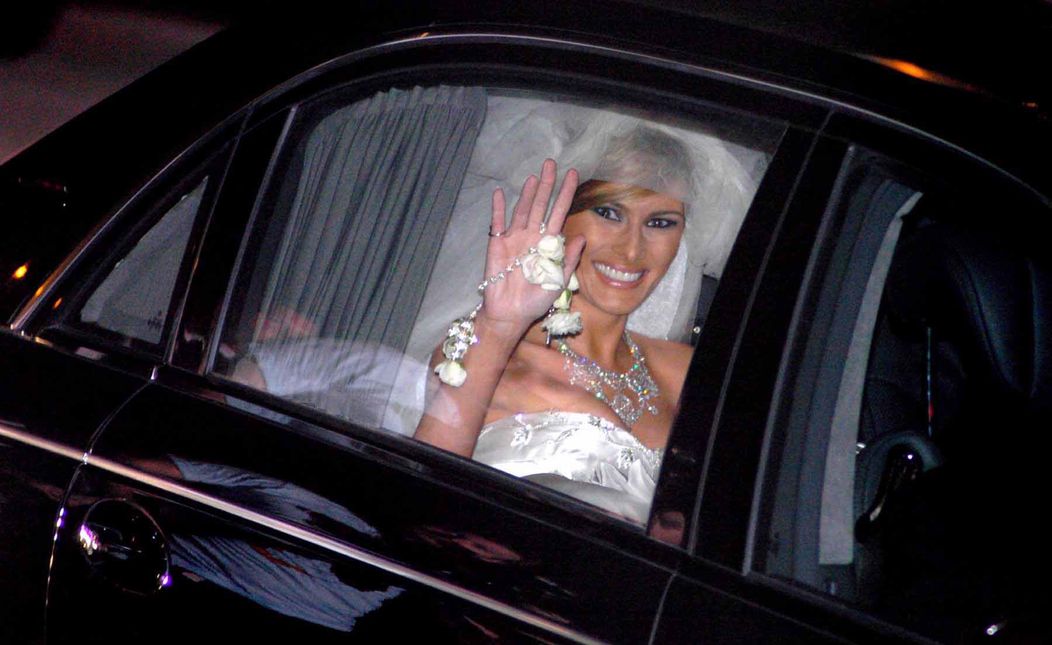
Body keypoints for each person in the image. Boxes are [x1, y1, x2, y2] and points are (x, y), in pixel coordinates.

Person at [415, 127, 694, 524]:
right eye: (609, 213)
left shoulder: (684, 370)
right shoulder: (490, 358)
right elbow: (421, 497)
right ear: (558, 218)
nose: (632, 249)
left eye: (661, 223)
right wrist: (499, 325)